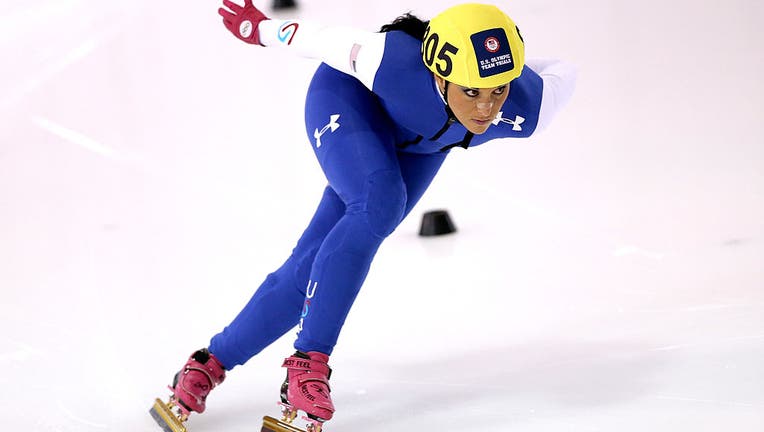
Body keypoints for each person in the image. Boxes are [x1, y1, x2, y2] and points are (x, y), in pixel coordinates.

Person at [153, 1, 576, 431]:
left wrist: (504, 72)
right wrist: (259, 28)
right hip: (348, 101)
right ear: (438, 73)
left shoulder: (528, 109)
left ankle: (208, 363)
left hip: (421, 147)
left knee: (317, 262)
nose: (485, 109)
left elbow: (565, 71)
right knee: (378, 204)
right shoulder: (387, 60)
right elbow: (315, 38)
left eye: (498, 90)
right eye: (471, 91)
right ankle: (307, 366)